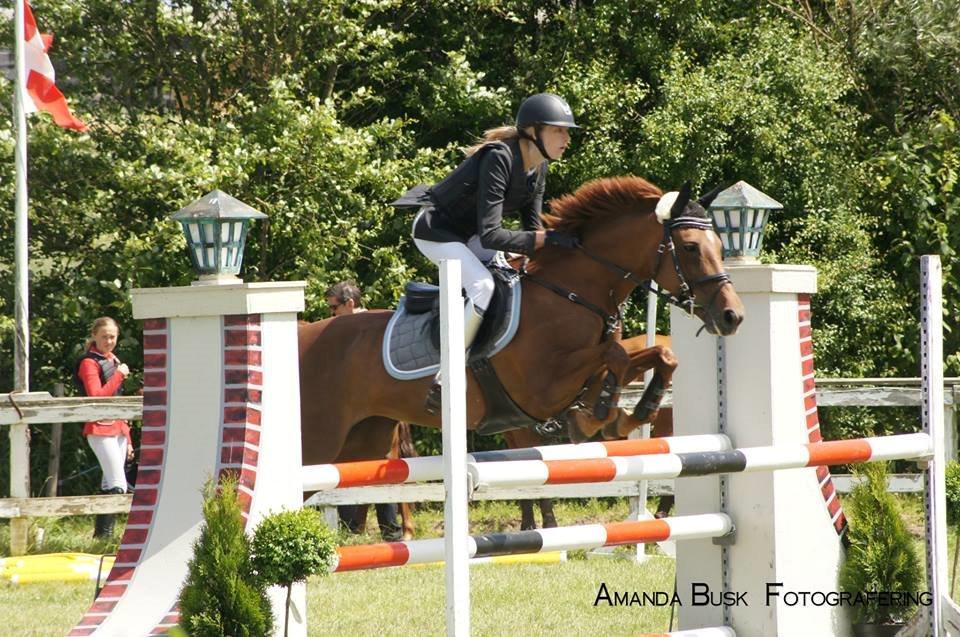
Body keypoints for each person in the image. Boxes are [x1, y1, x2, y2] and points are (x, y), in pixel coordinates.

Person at [402, 93, 581, 401]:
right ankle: (447, 375)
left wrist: (559, 247)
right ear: (533, 132)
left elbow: (532, 231)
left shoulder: (537, 167)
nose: (566, 138)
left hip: (470, 235)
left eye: (566, 131)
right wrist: (544, 240)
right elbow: (491, 236)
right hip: (436, 230)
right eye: (558, 130)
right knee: (484, 286)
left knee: (509, 276)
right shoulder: (499, 157)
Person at [325, 282, 404, 542]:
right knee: (375, 467)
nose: (332, 314)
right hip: (370, 409)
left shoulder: (368, 327)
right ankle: (383, 531)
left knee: (374, 466)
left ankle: (379, 531)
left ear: (350, 304)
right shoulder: (360, 327)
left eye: (334, 308)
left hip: (370, 410)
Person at [74, 316, 134, 538]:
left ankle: (102, 537)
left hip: (117, 427)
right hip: (99, 428)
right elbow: (97, 395)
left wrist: (128, 438)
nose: (109, 341)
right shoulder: (89, 362)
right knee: (119, 485)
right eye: (104, 337)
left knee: (110, 483)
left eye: (113, 336)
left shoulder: (114, 360)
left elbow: (119, 402)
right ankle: (110, 536)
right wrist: (119, 375)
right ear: (94, 336)